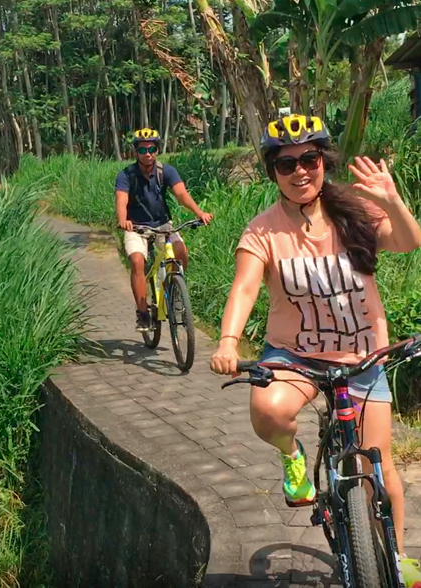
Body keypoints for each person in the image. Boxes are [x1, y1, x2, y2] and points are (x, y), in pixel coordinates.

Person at [210, 114, 421, 585]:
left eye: (310, 158)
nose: (300, 170)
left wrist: (392, 201)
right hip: (295, 356)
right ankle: (293, 455)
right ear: (273, 172)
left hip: (363, 356)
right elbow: (244, 289)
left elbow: (409, 242)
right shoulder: (263, 229)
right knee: (267, 409)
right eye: (287, 164)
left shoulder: (356, 212)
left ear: (323, 160)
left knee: (381, 468)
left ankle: (398, 551)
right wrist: (228, 341)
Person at [115, 128, 213, 331]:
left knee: (181, 252)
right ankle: (143, 314)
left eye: (152, 149)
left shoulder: (165, 171)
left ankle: (174, 293)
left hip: (162, 224)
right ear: (136, 152)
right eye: (143, 150)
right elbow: (121, 199)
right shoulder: (126, 175)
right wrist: (123, 219)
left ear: (157, 150)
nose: (148, 153)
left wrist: (199, 212)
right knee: (137, 261)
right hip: (136, 227)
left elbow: (181, 194)